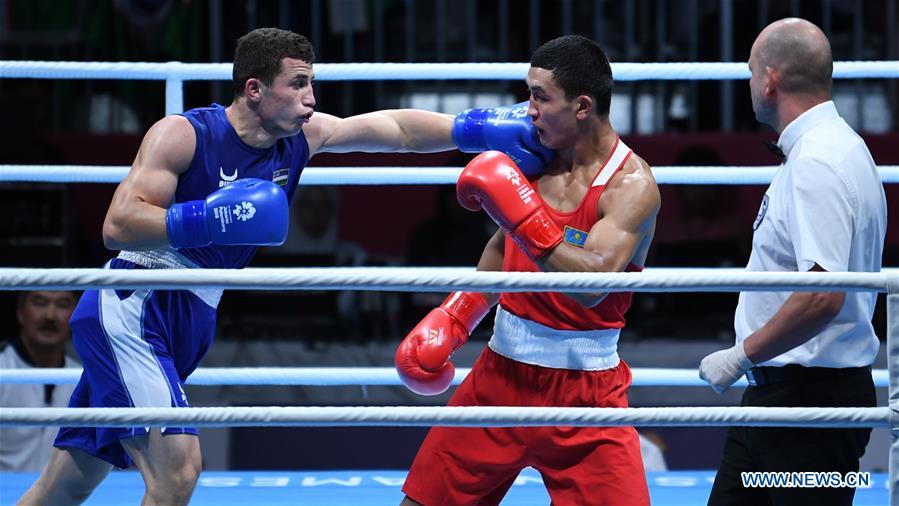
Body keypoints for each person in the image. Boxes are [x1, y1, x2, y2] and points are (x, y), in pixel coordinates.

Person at [19, 27, 550, 506]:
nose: (310, 99)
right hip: (136, 306)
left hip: (192, 312)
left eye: (310, 85)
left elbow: (395, 129)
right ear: (254, 89)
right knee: (177, 474)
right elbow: (118, 224)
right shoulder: (184, 134)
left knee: (64, 487)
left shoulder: (300, 138)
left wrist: (474, 129)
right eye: (297, 85)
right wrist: (210, 218)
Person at [395, 35, 660, 506]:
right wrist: (457, 315)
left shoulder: (631, 186)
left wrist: (520, 213)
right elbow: (503, 247)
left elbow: (593, 284)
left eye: (540, 97)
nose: (528, 109)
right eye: (528, 94)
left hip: (587, 396)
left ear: (582, 106)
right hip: (500, 376)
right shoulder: (536, 154)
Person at [699, 18, 886, 506]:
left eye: (750, 72)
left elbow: (822, 295)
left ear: (770, 80)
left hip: (807, 411)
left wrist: (742, 355)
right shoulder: (836, 148)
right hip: (781, 402)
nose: (748, 85)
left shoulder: (816, 163)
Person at [0, 291, 79, 472]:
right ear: (20, 313)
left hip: (60, 498)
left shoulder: (84, 378)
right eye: (40, 302)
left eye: (62, 304)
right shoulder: (3, 369)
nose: (50, 315)